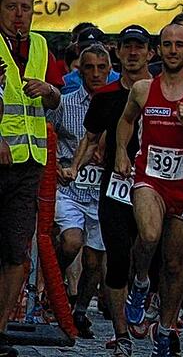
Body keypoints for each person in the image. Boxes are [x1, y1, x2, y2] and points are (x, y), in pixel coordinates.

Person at [116, 23, 183, 357]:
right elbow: (126, 120)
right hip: (149, 178)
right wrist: (121, 150)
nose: (174, 50)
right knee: (148, 235)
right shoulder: (144, 89)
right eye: (167, 45)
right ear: (158, 49)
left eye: (180, 45)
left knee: (176, 264)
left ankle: (164, 329)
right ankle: (141, 282)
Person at [67, 25, 154, 356]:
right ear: (118, 52)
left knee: (151, 248)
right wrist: (75, 167)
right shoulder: (106, 95)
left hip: (156, 185)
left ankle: (144, 284)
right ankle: (122, 334)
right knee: (116, 258)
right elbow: (90, 138)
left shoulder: (162, 92)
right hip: (115, 187)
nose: (133, 53)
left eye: (139, 47)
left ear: (150, 53)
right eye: (127, 47)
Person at [0, 0, 61, 357]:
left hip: (29, 164)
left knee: (14, 249)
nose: (20, 14)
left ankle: (1, 327)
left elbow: (57, 97)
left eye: (26, 7)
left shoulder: (39, 46)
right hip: (0, 155)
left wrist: (49, 91)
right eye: (12, 7)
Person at [50, 44, 113, 338]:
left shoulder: (120, 104)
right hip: (69, 187)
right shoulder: (65, 103)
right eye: (90, 67)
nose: (97, 73)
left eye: (103, 67)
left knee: (94, 261)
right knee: (72, 242)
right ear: (80, 70)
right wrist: (57, 167)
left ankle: (80, 311)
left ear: (110, 69)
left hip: (102, 190)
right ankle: (54, 284)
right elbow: (48, 136)